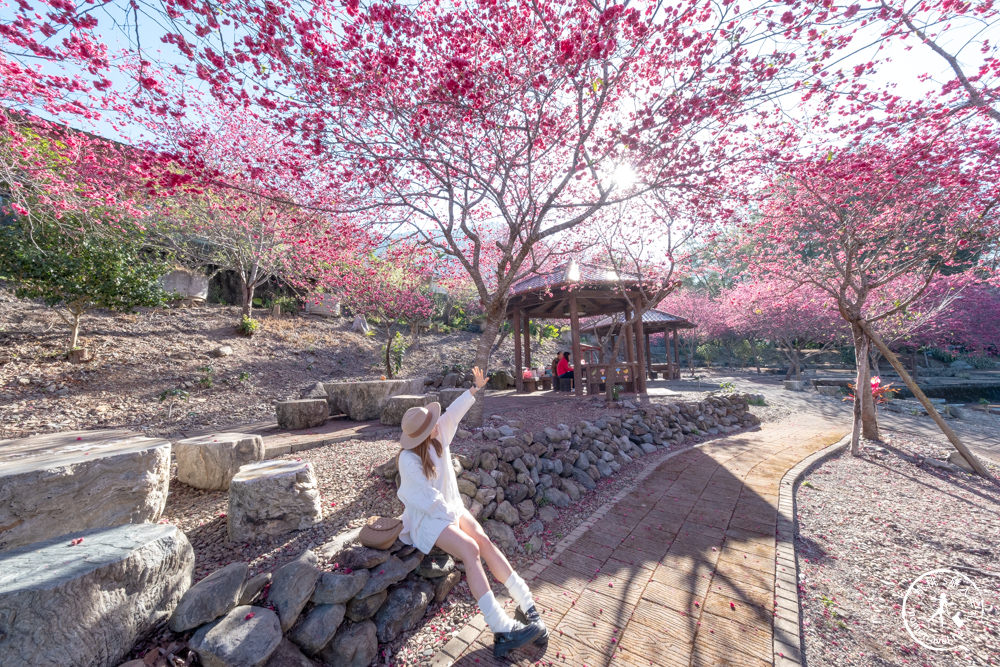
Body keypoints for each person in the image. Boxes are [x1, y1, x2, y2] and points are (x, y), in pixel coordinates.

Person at [396, 366, 547, 658]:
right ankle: (500, 626)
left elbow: (453, 412)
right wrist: (457, 520)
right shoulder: (408, 460)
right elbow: (428, 500)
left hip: (449, 508)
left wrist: (474, 389)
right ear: (421, 436)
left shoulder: (438, 438)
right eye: (431, 424)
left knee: (484, 540)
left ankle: (526, 602)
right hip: (427, 520)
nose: (437, 423)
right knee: (469, 549)